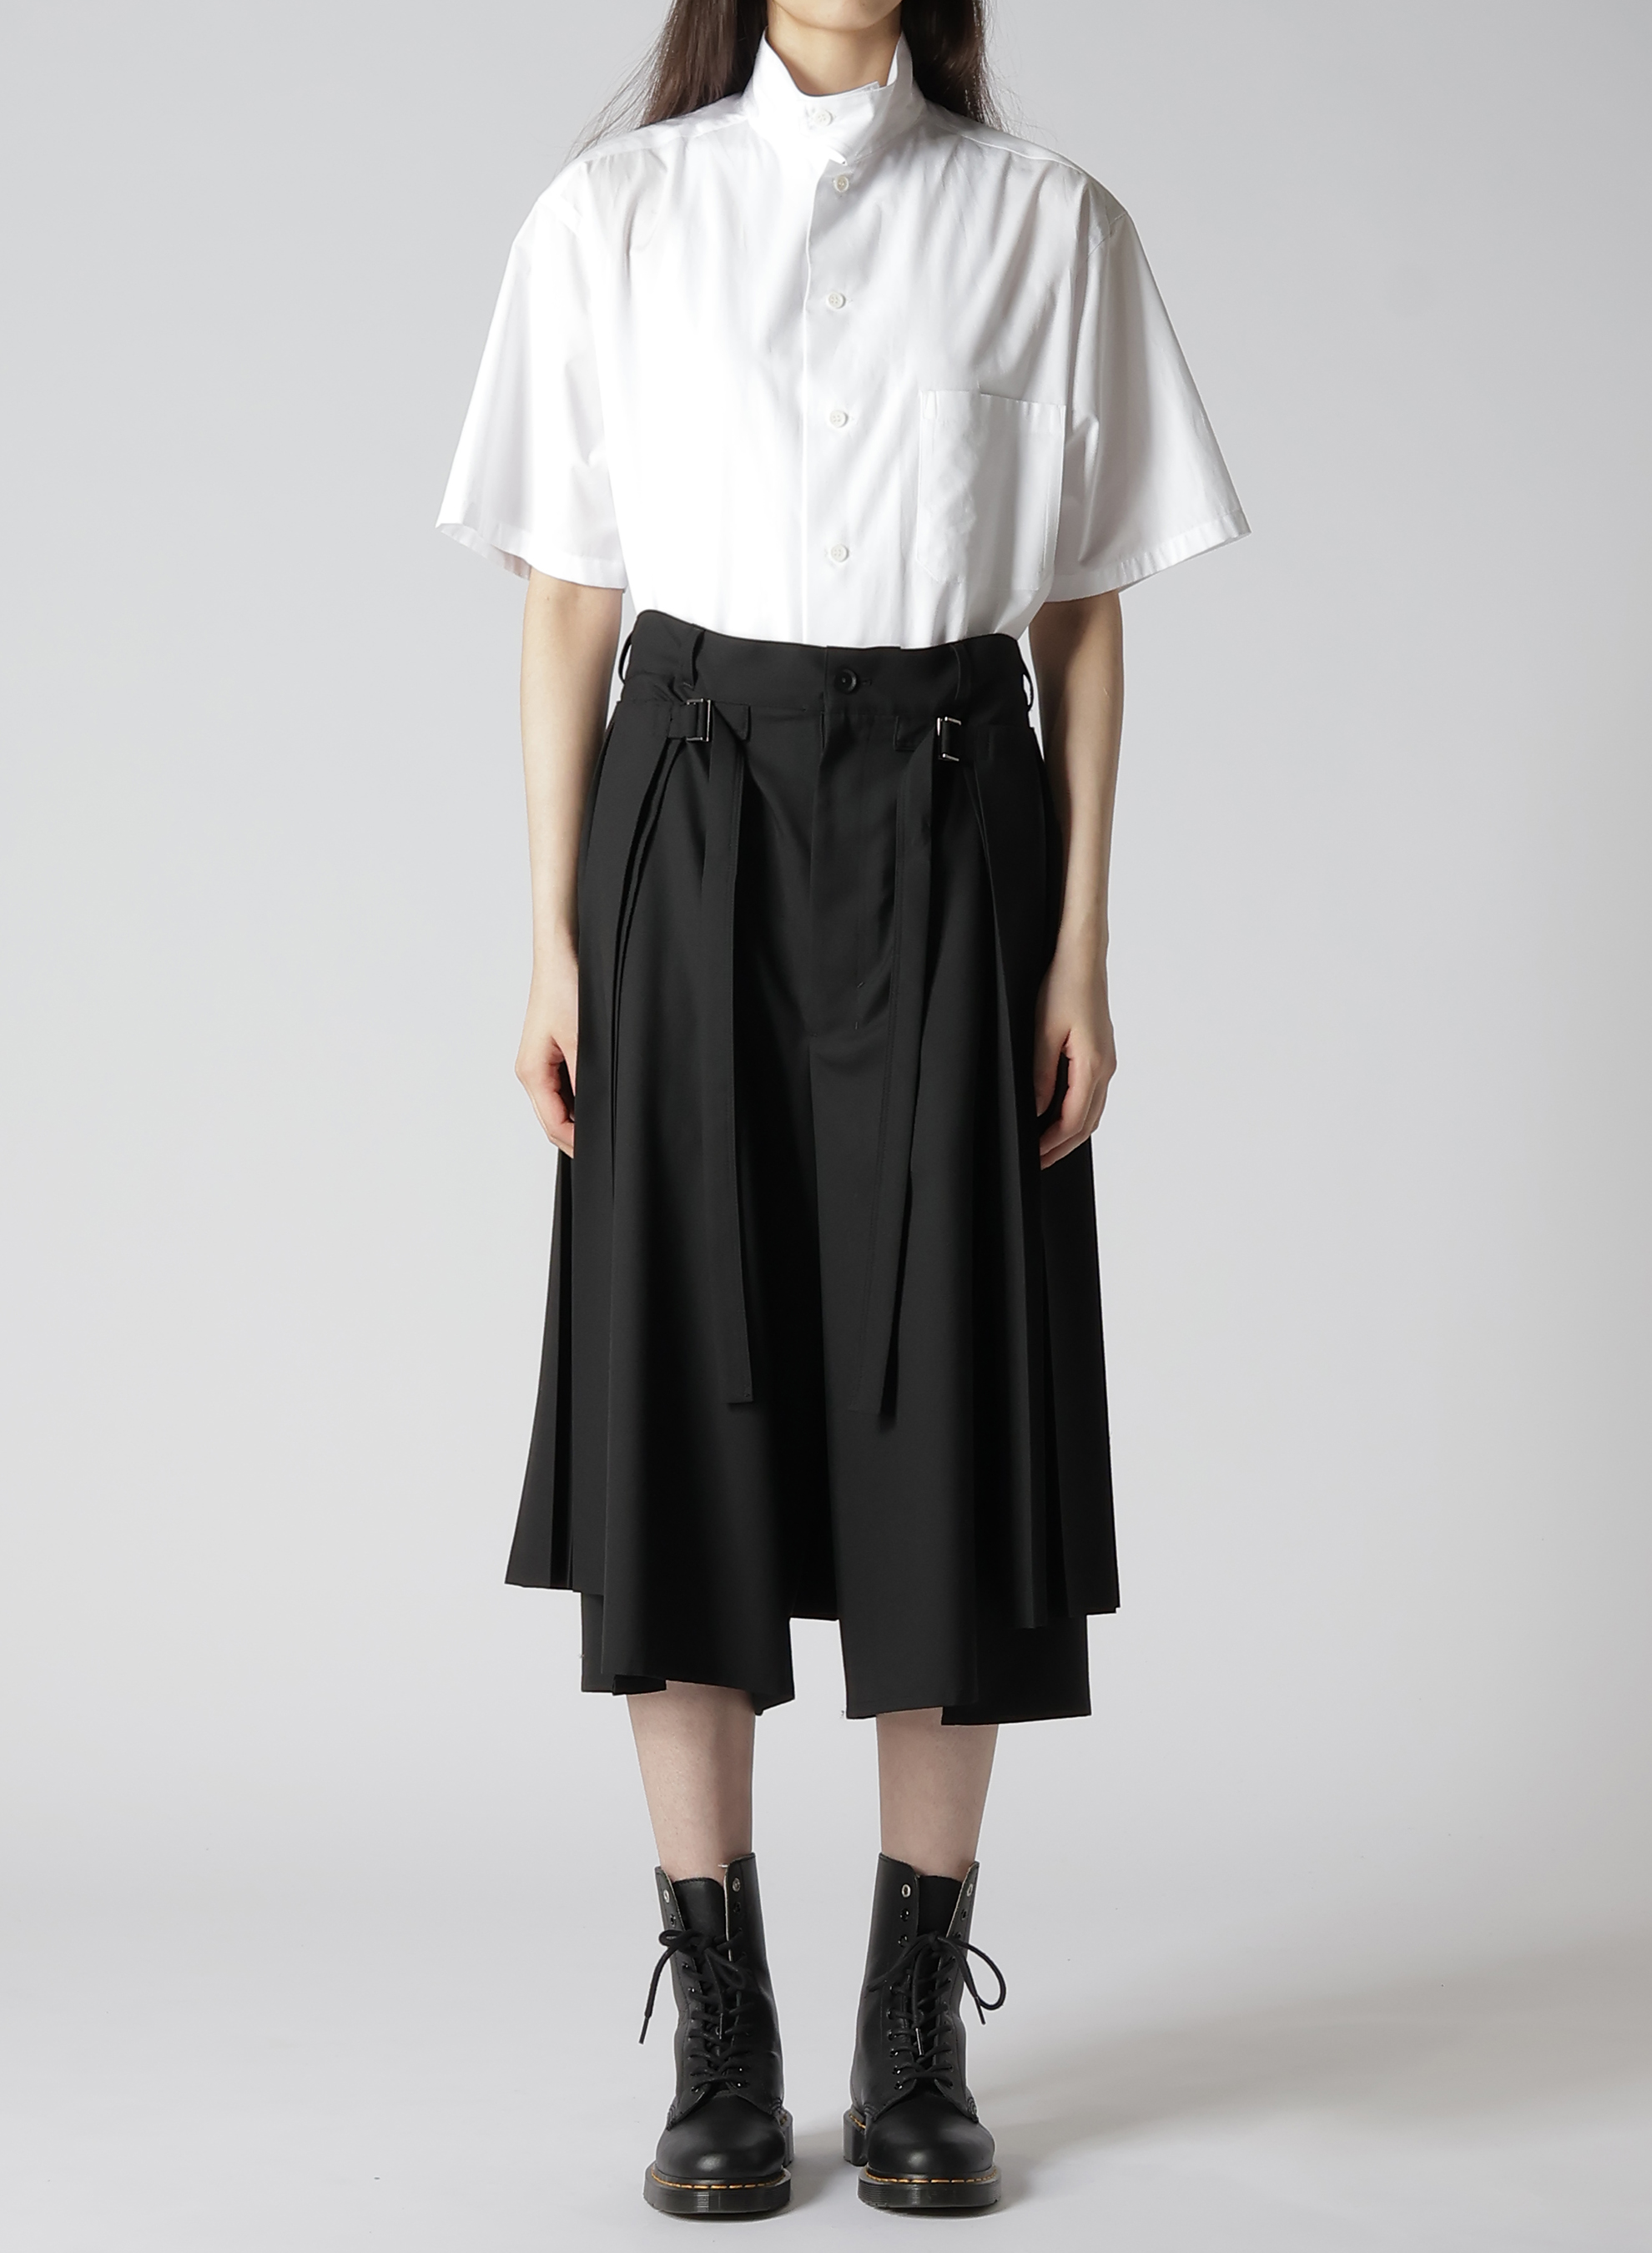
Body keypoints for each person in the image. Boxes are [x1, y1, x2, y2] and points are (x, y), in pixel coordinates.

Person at [438, 0, 1246, 2219]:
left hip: (955, 807)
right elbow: (569, 597)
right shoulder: (614, 217)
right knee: (684, 1397)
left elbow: (1080, 613)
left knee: (947, 1393)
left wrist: (1081, 947)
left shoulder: (1046, 225)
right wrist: (553, 942)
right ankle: (723, 2024)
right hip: (686, 808)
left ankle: (913, 2030)